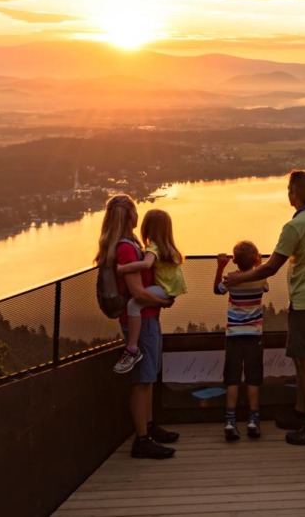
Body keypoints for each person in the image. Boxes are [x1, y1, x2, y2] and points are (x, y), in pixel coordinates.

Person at [223, 170, 305, 446]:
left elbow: (270, 267)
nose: (288, 194)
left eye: (289, 190)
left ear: (294, 194)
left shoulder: (294, 227)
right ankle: (301, 413)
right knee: (302, 360)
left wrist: (238, 277)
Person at [94, 194, 179, 459]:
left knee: (149, 375)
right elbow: (137, 293)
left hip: (146, 318)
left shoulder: (128, 244)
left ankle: (150, 428)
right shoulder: (127, 249)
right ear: (130, 214)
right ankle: (142, 439)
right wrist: (163, 301)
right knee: (142, 380)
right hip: (140, 322)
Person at [113, 209, 188, 374]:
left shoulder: (153, 247)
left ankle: (132, 348)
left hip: (164, 290)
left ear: (148, 228)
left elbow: (146, 265)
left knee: (133, 305)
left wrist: (122, 268)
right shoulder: (168, 246)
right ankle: (133, 347)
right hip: (170, 289)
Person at [213, 241, 268, 441]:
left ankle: (230, 421)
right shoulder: (261, 278)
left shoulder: (230, 279)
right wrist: (259, 265)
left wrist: (221, 267)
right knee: (253, 378)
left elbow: (217, 290)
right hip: (254, 335)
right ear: (255, 259)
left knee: (232, 378)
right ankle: (253, 420)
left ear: (234, 260)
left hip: (234, 335)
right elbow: (266, 286)